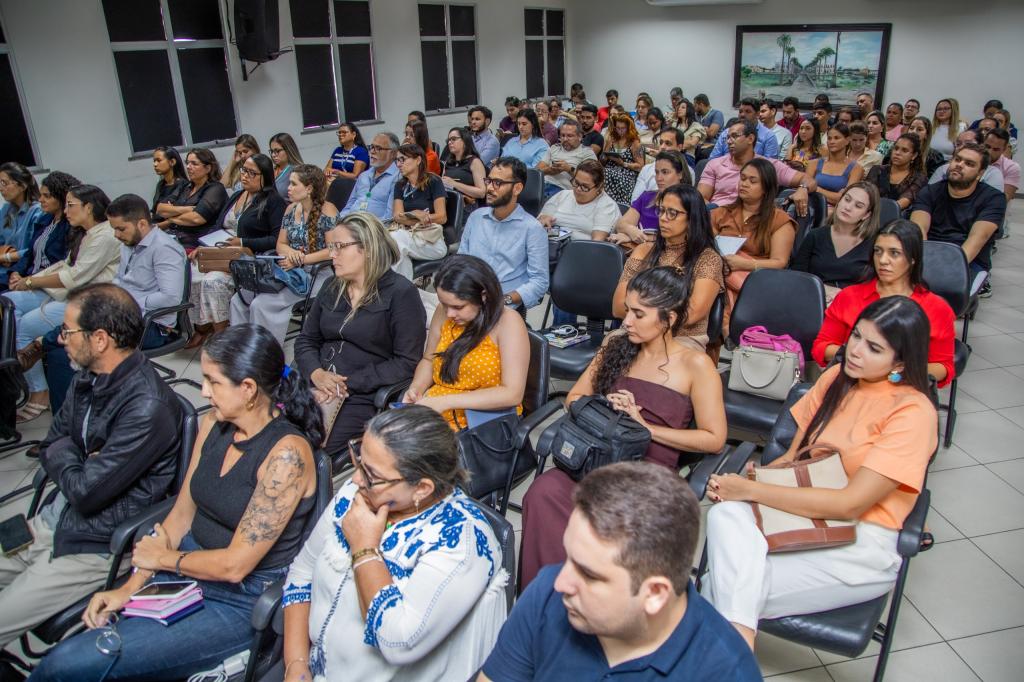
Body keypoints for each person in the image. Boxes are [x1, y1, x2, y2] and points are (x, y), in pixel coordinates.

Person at [31, 323, 319, 681]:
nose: (204, 391)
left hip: (238, 600)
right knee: (79, 658)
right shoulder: (214, 423)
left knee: (67, 664)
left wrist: (163, 559)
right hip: (186, 572)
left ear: (247, 388)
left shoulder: (287, 457)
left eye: (213, 381)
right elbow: (182, 514)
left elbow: (235, 566)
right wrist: (129, 587)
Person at [704, 296, 939, 651]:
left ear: (901, 362)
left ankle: (730, 652)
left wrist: (751, 492)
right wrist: (757, 478)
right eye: (856, 336)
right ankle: (738, 654)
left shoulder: (913, 412)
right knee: (725, 516)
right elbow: (793, 460)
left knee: (718, 585)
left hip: (861, 541)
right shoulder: (836, 378)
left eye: (874, 348)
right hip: (803, 515)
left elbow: (849, 505)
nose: (855, 351)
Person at [519, 266, 727, 590]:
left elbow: (714, 439)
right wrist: (605, 410)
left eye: (639, 314)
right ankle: (546, 595)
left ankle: (594, 598)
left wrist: (644, 427)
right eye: (628, 310)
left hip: (647, 473)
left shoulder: (695, 365)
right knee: (543, 492)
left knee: (608, 523)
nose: (626, 321)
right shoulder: (616, 348)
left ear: (669, 319)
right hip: (597, 458)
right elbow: (574, 397)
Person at [0, 283, 182, 652]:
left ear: (100, 339)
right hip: (52, 520)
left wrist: (70, 457)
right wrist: (79, 460)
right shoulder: (88, 376)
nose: (60, 338)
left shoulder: (147, 407)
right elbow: (51, 442)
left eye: (67, 331)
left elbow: (85, 493)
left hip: (92, 544)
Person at [282, 406, 506, 682]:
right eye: (359, 460)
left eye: (371, 474)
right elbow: (302, 573)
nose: (355, 479)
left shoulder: (461, 541)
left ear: (422, 488)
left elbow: (397, 642)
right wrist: (296, 663)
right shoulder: (358, 494)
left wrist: (364, 550)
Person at [485, 460, 760, 680]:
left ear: (655, 593)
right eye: (569, 557)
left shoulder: (726, 672)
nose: (560, 582)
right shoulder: (545, 595)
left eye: (589, 574)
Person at [35, 194, 188, 414]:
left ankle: (69, 413)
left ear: (142, 223)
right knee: (64, 344)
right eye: (114, 229)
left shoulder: (164, 248)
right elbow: (120, 281)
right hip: (123, 316)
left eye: (121, 229)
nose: (116, 235)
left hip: (153, 326)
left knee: (62, 348)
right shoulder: (129, 242)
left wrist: (125, 302)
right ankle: (74, 411)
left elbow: (170, 298)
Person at [294, 212, 425, 459]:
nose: (332, 255)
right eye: (331, 247)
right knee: (270, 436)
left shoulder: (400, 293)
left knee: (306, 454)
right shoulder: (332, 286)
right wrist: (316, 373)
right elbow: (306, 340)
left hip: (359, 395)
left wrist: (346, 383)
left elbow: (407, 362)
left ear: (367, 249)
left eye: (340, 247)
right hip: (315, 382)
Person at [3, 185, 118, 420]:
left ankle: (39, 392)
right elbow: (64, 265)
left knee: (24, 326)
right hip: (68, 293)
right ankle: (16, 378)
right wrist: (27, 280)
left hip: (90, 301)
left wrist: (31, 282)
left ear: (89, 207)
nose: (66, 211)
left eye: (70, 205)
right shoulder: (86, 233)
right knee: (7, 303)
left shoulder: (105, 236)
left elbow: (74, 277)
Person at [813, 219, 954, 385]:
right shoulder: (850, 296)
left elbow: (944, 367)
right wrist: (862, 357)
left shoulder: (936, 308)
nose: (883, 260)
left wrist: (894, 373)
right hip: (851, 382)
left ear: (913, 259)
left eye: (894, 253)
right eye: (878, 251)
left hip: (906, 386)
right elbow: (821, 347)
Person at [402, 255, 529, 430]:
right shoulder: (444, 312)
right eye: (444, 304)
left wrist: (445, 402)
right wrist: (416, 388)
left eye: (458, 307)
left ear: (483, 296)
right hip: (437, 410)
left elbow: (512, 393)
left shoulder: (508, 322)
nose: (449, 314)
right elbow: (429, 360)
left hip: (482, 422)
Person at [187, 153, 286, 348]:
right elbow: (218, 225)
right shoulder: (237, 195)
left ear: (265, 176)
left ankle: (223, 336)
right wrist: (204, 246)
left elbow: (275, 240)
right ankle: (202, 328)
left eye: (252, 173)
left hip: (248, 258)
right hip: (222, 251)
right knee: (191, 273)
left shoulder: (273, 201)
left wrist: (241, 242)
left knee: (212, 281)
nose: (245, 176)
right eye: (244, 170)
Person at [229, 165, 335, 344]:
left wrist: (301, 259)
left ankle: (264, 352)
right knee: (239, 299)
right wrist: (292, 253)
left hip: (316, 273)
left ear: (309, 188)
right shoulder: (290, 209)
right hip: (288, 269)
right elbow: (280, 244)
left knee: (261, 304)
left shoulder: (328, 209)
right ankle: (240, 347)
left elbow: (333, 250)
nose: (288, 188)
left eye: (293, 184)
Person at [613, 185, 724, 351]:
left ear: (692, 218)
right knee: (611, 343)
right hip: (637, 332)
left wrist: (642, 314)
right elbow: (618, 306)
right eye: (662, 211)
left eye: (672, 213)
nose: (663, 218)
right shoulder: (643, 251)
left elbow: (692, 314)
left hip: (684, 338)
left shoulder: (707, 258)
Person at [459, 157, 549, 312]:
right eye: (489, 181)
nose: (489, 188)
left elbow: (539, 282)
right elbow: (461, 260)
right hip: (469, 298)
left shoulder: (532, 229)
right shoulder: (476, 217)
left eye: (498, 183)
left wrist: (503, 299)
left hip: (503, 306)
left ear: (517, 188)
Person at [911, 142, 1006, 288]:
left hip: (968, 261)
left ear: (980, 173)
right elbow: (919, 230)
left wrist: (944, 271)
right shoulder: (929, 192)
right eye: (957, 159)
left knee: (944, 291)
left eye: (969, 164)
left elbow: (977, 239)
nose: (959, 165)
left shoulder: (993, 199)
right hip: (927, 254)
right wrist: (924, 265)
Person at [711, 158, 796, 310]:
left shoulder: (780, 220)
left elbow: (779, 262)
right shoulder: (720, 213)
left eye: (752, 181)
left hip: (756, 280)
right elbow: (706, 247)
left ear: (766, 188)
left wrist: (745, 264)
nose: (744, 184)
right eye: (743, 178)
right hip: (718, 274)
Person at [699, 120, 815, 212]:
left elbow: (809, 180)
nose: (729, 141)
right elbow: (701, 198)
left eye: (734, 136)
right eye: (728, 137)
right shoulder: (715, 164)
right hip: (718, 216)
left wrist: (803, 189)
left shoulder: (768, 166)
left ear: (750, 139)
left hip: (753, 219)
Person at [792, 182, 881, 296]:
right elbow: (797, 275)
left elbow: (878, 285)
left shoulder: (875, 243)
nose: (848, 207)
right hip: (815, 298)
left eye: (858, 206)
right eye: (847, 199)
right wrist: (823, 289)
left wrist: (843, 294)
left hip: (853, 301)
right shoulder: (815, 235)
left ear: (866, 215)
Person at [390, 143, 448, 280]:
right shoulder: (400, 185)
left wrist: (413, 218)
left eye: (403, 159)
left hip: (431, 241)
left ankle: (390, 288)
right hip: (409, 236)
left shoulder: (434, 181)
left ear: (418, 160)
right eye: (397, 160)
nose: (398, 164)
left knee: (395, 239)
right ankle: (405, 290)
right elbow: (397, 216)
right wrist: (417, 215)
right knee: (398, 252)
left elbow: (442, 217)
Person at [8, 171, 78, 285]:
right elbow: (29, 254)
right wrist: (15, 273)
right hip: (28, 278)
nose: (40, 199)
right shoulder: (45, 220)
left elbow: (62, 264)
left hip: (46, 283)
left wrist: (28, 281)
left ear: (62, 198)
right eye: (41, 195)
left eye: (47, 196)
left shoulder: (70, 226)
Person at [153, 148, 229, 251]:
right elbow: (160, 209)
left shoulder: (215, 189)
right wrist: (189, 209)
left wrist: (171, 219)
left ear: (208, 168)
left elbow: (196, 218)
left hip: (197, 243)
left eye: (194, 164)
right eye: (187, 163)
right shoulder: (185, 186)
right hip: (174, 238)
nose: (188, 167)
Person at [616, 151, 692, 246]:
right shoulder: (647, 196)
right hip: (639, 249)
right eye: (657, 172)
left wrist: (635, 238)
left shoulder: (689, 201)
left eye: (665, 172)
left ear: (680, 174)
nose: (658, 178)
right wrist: (631, 231)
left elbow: (682, 238)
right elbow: (621, 224)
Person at [538, 159, 620, 243]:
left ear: (599, 187)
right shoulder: (562, 195)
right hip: (550, 244)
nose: (578, 189)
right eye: (576, 183)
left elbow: (597, 242)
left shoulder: (607, 206)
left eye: (585, 186)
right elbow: (541, 220)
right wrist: (543, 219)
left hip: (582, 248)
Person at [0, 162, 44, 289]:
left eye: (4, 183)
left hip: (20, 272)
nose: (1, 188)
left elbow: (35, 249)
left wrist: (5, 257)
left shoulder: (38, 211)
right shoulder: (6, 209)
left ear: (22, 185)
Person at [341, 132, 402, 221]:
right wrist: (341, 220)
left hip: (371, 226)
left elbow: (389, 218)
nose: (372, 152)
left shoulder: (397, 178)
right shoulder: (364, 175)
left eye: (378, 148)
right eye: (371, 147)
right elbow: (349, 205)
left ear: (393, 153)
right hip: (350, 222)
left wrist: (367, 226)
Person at [629, 128, 695, 202]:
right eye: (661, 143)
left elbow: (685, 201)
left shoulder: (688, 171)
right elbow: (635, 200)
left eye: (668, 143)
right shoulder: (647, 169)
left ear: (679, 147)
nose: (662, 147)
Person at [866, 133, 928, 211]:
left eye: (904, 150)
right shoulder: (877, 170)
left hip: (896, 215)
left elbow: (903, 202)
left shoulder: (919, 178)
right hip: (870, 211)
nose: (897, 153)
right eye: (896, 148)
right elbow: (866, 194)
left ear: (914, 155)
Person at [537, 119, 597, 198]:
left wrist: (568, 169)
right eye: (562, 135)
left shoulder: (587, 152)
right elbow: (538, 170)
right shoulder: (554, 148)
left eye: (569, 136)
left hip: (564, 191)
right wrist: (549, 170)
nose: (565, 139)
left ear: (580, 137)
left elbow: (591, 179)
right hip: (542, 186)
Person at [812, 122, 866, 207]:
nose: (832, 142)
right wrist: (834, 196)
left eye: (836, 138)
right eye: (829, 138)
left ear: (847, 140)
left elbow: (845, 199)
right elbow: (805, 188)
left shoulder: (856, 168)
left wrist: (816, 189)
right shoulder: (813, 163)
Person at [708, 98, 780, 160]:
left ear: (757, 114)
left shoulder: (768, 136)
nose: (742, 115)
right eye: (740, 111)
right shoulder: (726, 133)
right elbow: (713, 159)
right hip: (725, 170)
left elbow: (770, 165)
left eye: (748, 111)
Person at [600, 114, 645, 203]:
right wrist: (606, 155)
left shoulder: (634, 143)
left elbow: (641, 167)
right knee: (598, 172)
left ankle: (610, 202)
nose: (620, 131)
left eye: (623, 128)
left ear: (629, 128)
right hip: (609, 170)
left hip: (627, 175)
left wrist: (623, 163)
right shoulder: (612, 140)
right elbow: (602, 161)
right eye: (618, 128)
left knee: (606, 173)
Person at [441, 126, 487, 209]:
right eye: (448, 140)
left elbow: (482, 193)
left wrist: (454, 184)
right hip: (448, 203)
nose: (449, 142)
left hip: (467, 206)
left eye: (453, 139)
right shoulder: (448, 162)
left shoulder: (474, 162)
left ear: (464, 141)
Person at [984, 128, 1020, 206]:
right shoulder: (973, 160)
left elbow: (1005, 198)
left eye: (996, 149)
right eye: (987, 146)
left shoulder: (1011, 167)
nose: (990, 152)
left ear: (1004, 149)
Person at [150, 147, 188, 215]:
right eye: (154, 161)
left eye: (159, 160)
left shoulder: (184, 185)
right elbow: (155, 209)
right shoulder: (160, 184)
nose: (155, 164)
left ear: (172, 162)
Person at [269, 132, 305, 199]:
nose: (273, 155)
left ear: (288, 149)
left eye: (277, 151)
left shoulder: (297, 171)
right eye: (272, 151)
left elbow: (302, 199)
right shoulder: (271, 170)